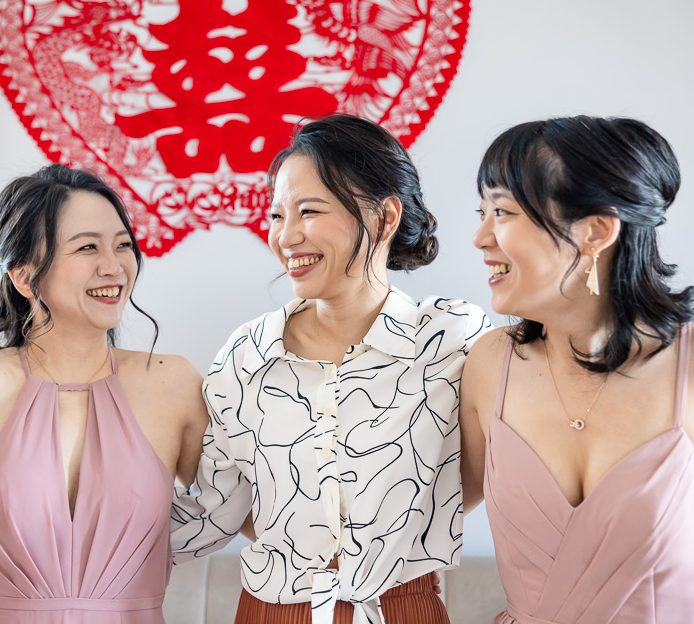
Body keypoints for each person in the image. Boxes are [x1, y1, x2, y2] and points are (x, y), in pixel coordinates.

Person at [170, 114, 490, 624]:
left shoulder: (451, 340)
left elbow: (488, 470)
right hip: (272, 609)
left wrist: (400, 531)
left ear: (385, 218)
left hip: (403, 609)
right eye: (277, 216)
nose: (286, 235)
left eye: (308, 210)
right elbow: (223, 505)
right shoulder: (247, 353)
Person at [0, 164, 209, 623]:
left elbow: (255, 514)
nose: (114, 266)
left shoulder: (172, 384)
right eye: (87, 248)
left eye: (123, 245)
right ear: (23, 275)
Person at [460, 116, 694, 622]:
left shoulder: (689, 368)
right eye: (481, 212)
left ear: (595, 231)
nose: (480, 237)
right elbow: (410, 510)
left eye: (501, 211)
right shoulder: (489, 363)